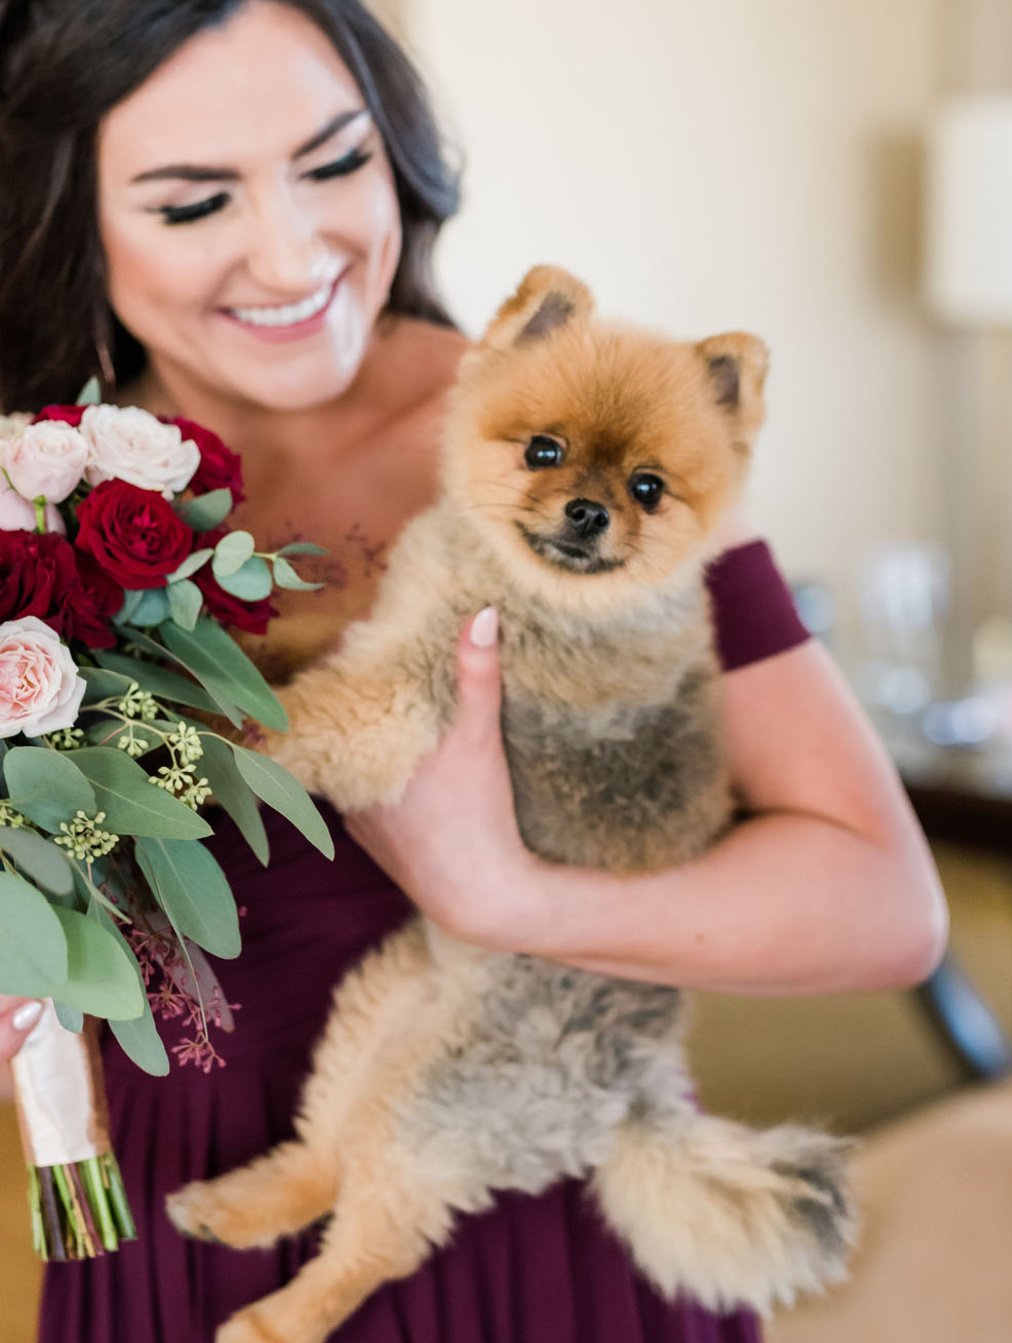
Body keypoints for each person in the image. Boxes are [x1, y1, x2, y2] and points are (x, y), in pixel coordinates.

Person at [0, 1, 948, 1339]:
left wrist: (503, 895)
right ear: (69, 214)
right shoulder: (30, 493)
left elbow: (885, 905)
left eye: (335, 165)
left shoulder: (562, 441)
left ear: (401, 157)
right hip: (182, 1219)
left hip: (531, 1217)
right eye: (194, 200)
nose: (292, 253)